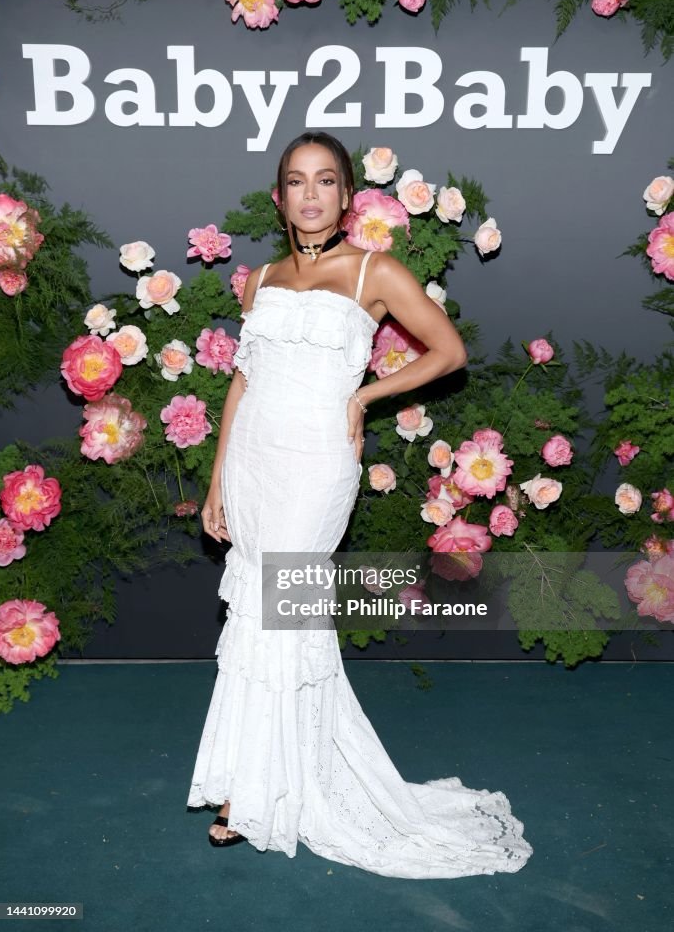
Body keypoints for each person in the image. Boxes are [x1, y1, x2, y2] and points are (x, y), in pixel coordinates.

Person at [186, 131, 533, 878]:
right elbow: (242, 381)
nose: (310, 194)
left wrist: (365, 395)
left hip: (315, 463)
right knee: (257, 616)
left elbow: (448, 351)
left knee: (285, 612)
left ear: (347, 195)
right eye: (296, 181)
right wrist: (216, 480)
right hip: (252, 462)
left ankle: (272, 789)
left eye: (325, 180)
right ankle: (252, 782)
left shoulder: (375, 270)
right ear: (279, 197)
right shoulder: (261, 279)